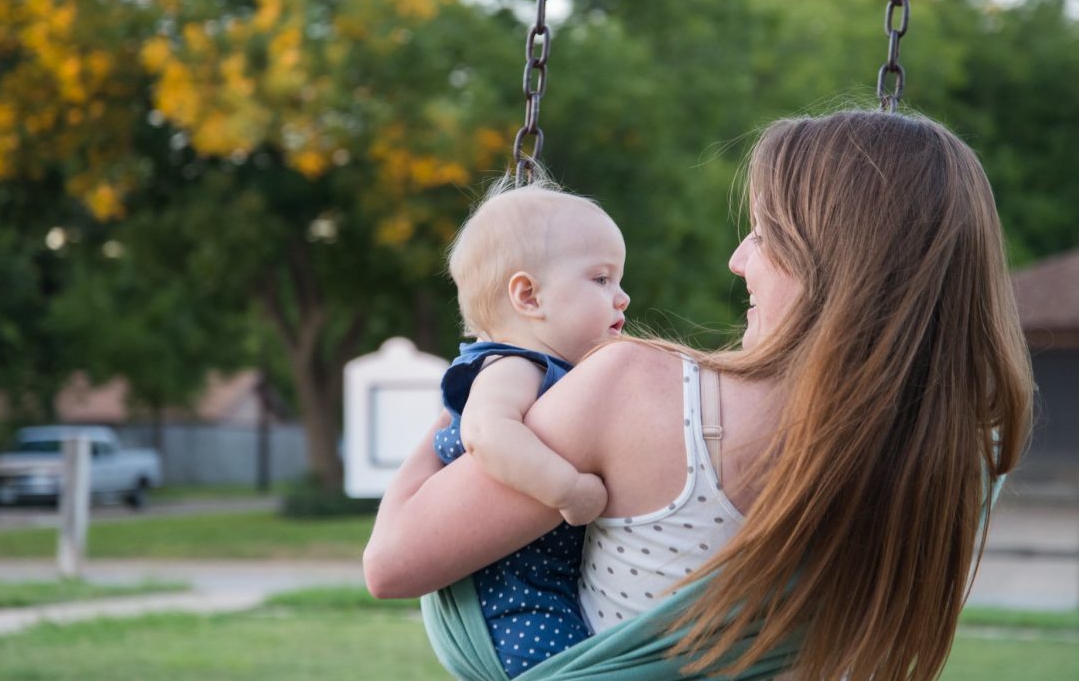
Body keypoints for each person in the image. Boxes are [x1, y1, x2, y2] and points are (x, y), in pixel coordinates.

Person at [365, 110, 1033, 681]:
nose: (738, 258)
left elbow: (391, 564)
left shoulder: (637, 390)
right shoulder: (966, 454)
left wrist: (476, 387)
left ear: (837, 260)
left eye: (766, 234)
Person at [428, 177, 630, 676]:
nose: (622, 297)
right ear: (529, 296)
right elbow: (486, 434)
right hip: (516, 608)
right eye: (602, 279)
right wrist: (569, 490)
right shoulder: (515, 365)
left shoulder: (549, 370)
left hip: (539, 594)